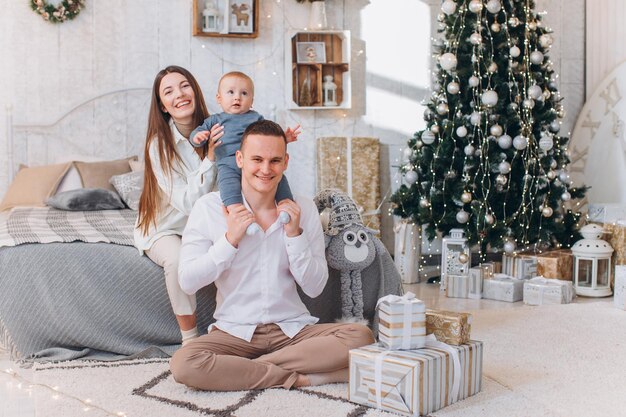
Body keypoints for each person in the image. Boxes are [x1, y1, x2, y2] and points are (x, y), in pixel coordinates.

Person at [170, 120, 375, 391]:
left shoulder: (302, 208)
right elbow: (187, 281)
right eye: (257, 159)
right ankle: (296, 377)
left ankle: (251, 368)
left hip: (292, 331)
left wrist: (294, 235)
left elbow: (315, 288)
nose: (266, 170)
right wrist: (230, 239)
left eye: (274, 160)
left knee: (361, 336)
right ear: (240, 159)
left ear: (286, 162)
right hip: (234, 333)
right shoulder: (208, 208)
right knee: (185, 363)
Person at [135, 65, 224, 346]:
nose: (179, 94)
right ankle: (190, 340)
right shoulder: (158, 145)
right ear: (163, 106)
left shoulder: (218, 129)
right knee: (177, 260)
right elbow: (187, 204)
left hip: (210, 223)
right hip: (166, 227)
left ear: (195, 91)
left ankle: (235, 327)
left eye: (184, 86)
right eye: (169, 91)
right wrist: (210, 159)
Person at [189, 71, 301, 235]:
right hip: (228, 163)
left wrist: (284, 137)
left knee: (279, 178)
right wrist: (198, 137)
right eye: (231, 92)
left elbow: (269, 137)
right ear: (219, 98)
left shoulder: (255, 118)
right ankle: (239, 215)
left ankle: (285, 207)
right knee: (228, 186)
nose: (237, 98)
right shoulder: (215, 120)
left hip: (255, 163)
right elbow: (196, 134)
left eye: (244, 93)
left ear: (252, 101)